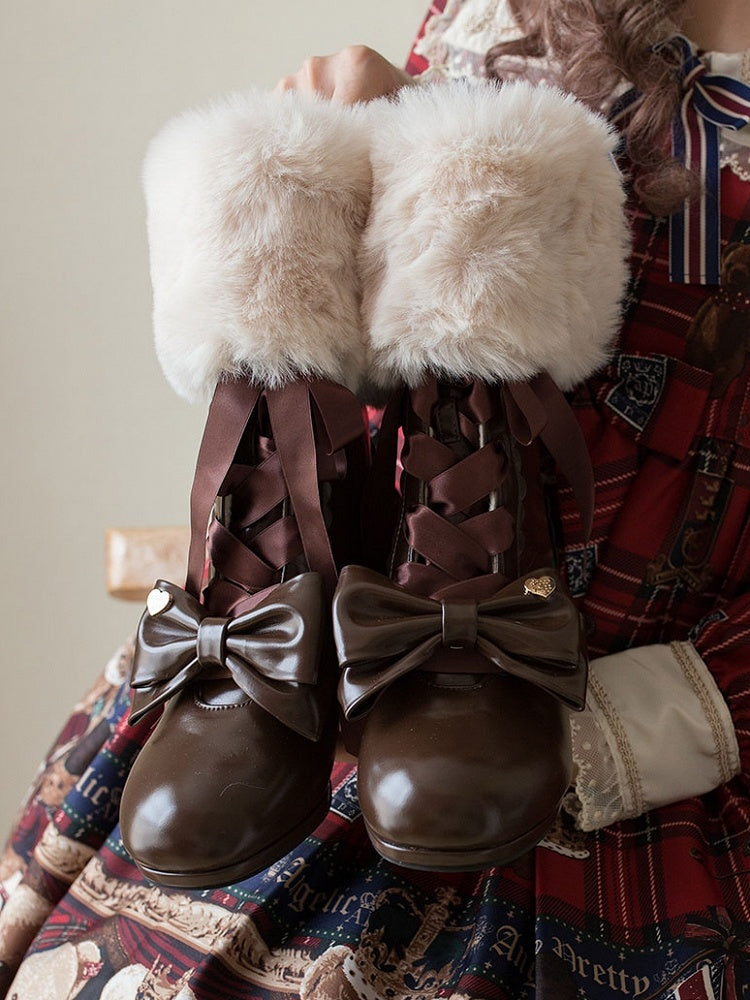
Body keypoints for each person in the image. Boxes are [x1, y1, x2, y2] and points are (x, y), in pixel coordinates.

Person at [1, 1, 750, 997]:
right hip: (357, 685)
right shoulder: (515, 12)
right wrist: (348, 161)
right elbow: (413, 390)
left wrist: (624, 730)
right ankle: (272, 632)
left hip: (669, 763)